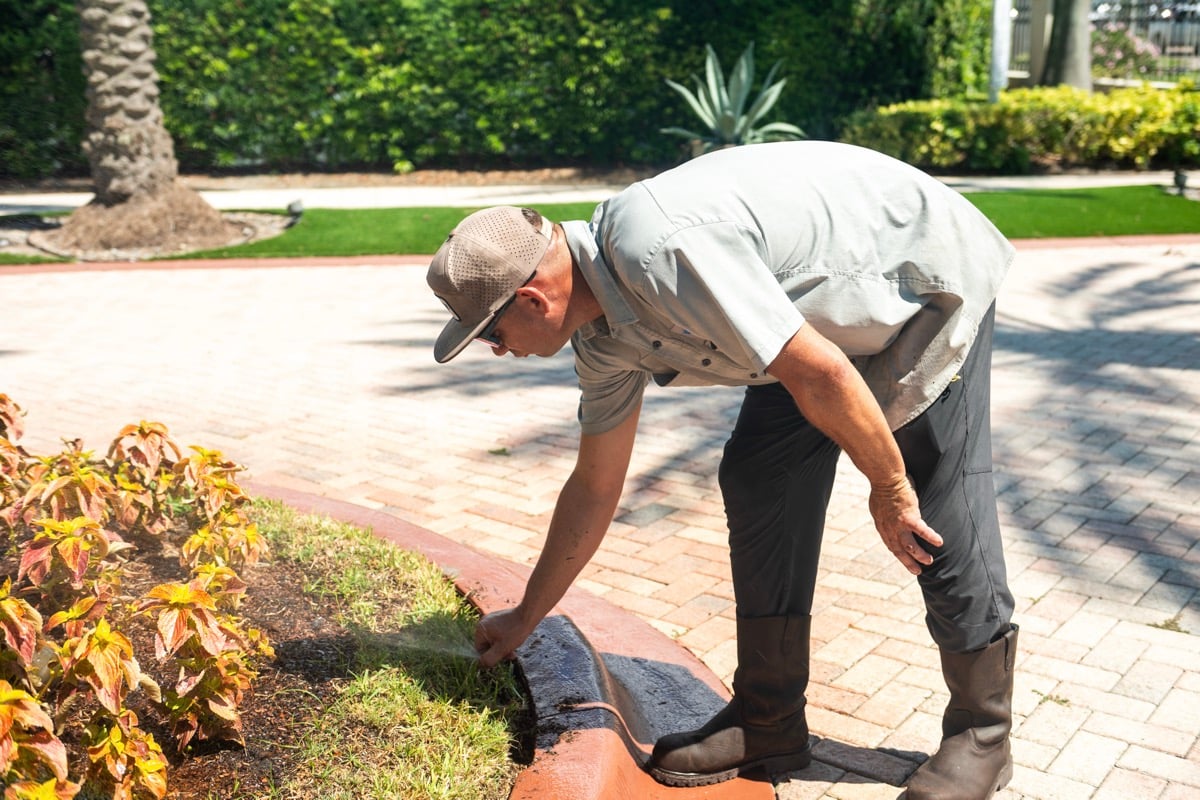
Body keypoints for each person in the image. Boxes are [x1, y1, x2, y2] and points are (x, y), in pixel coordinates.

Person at [426, 141, 1019, 799]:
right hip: (811, 330)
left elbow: (820, 373)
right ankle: (769, 718)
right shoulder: (603, 340)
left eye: (490, 332)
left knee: (935, 511)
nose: (496, 350)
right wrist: (526, 616)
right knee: (761, 478)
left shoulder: (657, 250)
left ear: (534, 299)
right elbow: (595, 486)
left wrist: (889, 485)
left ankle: (981, 734)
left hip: (918, 286)